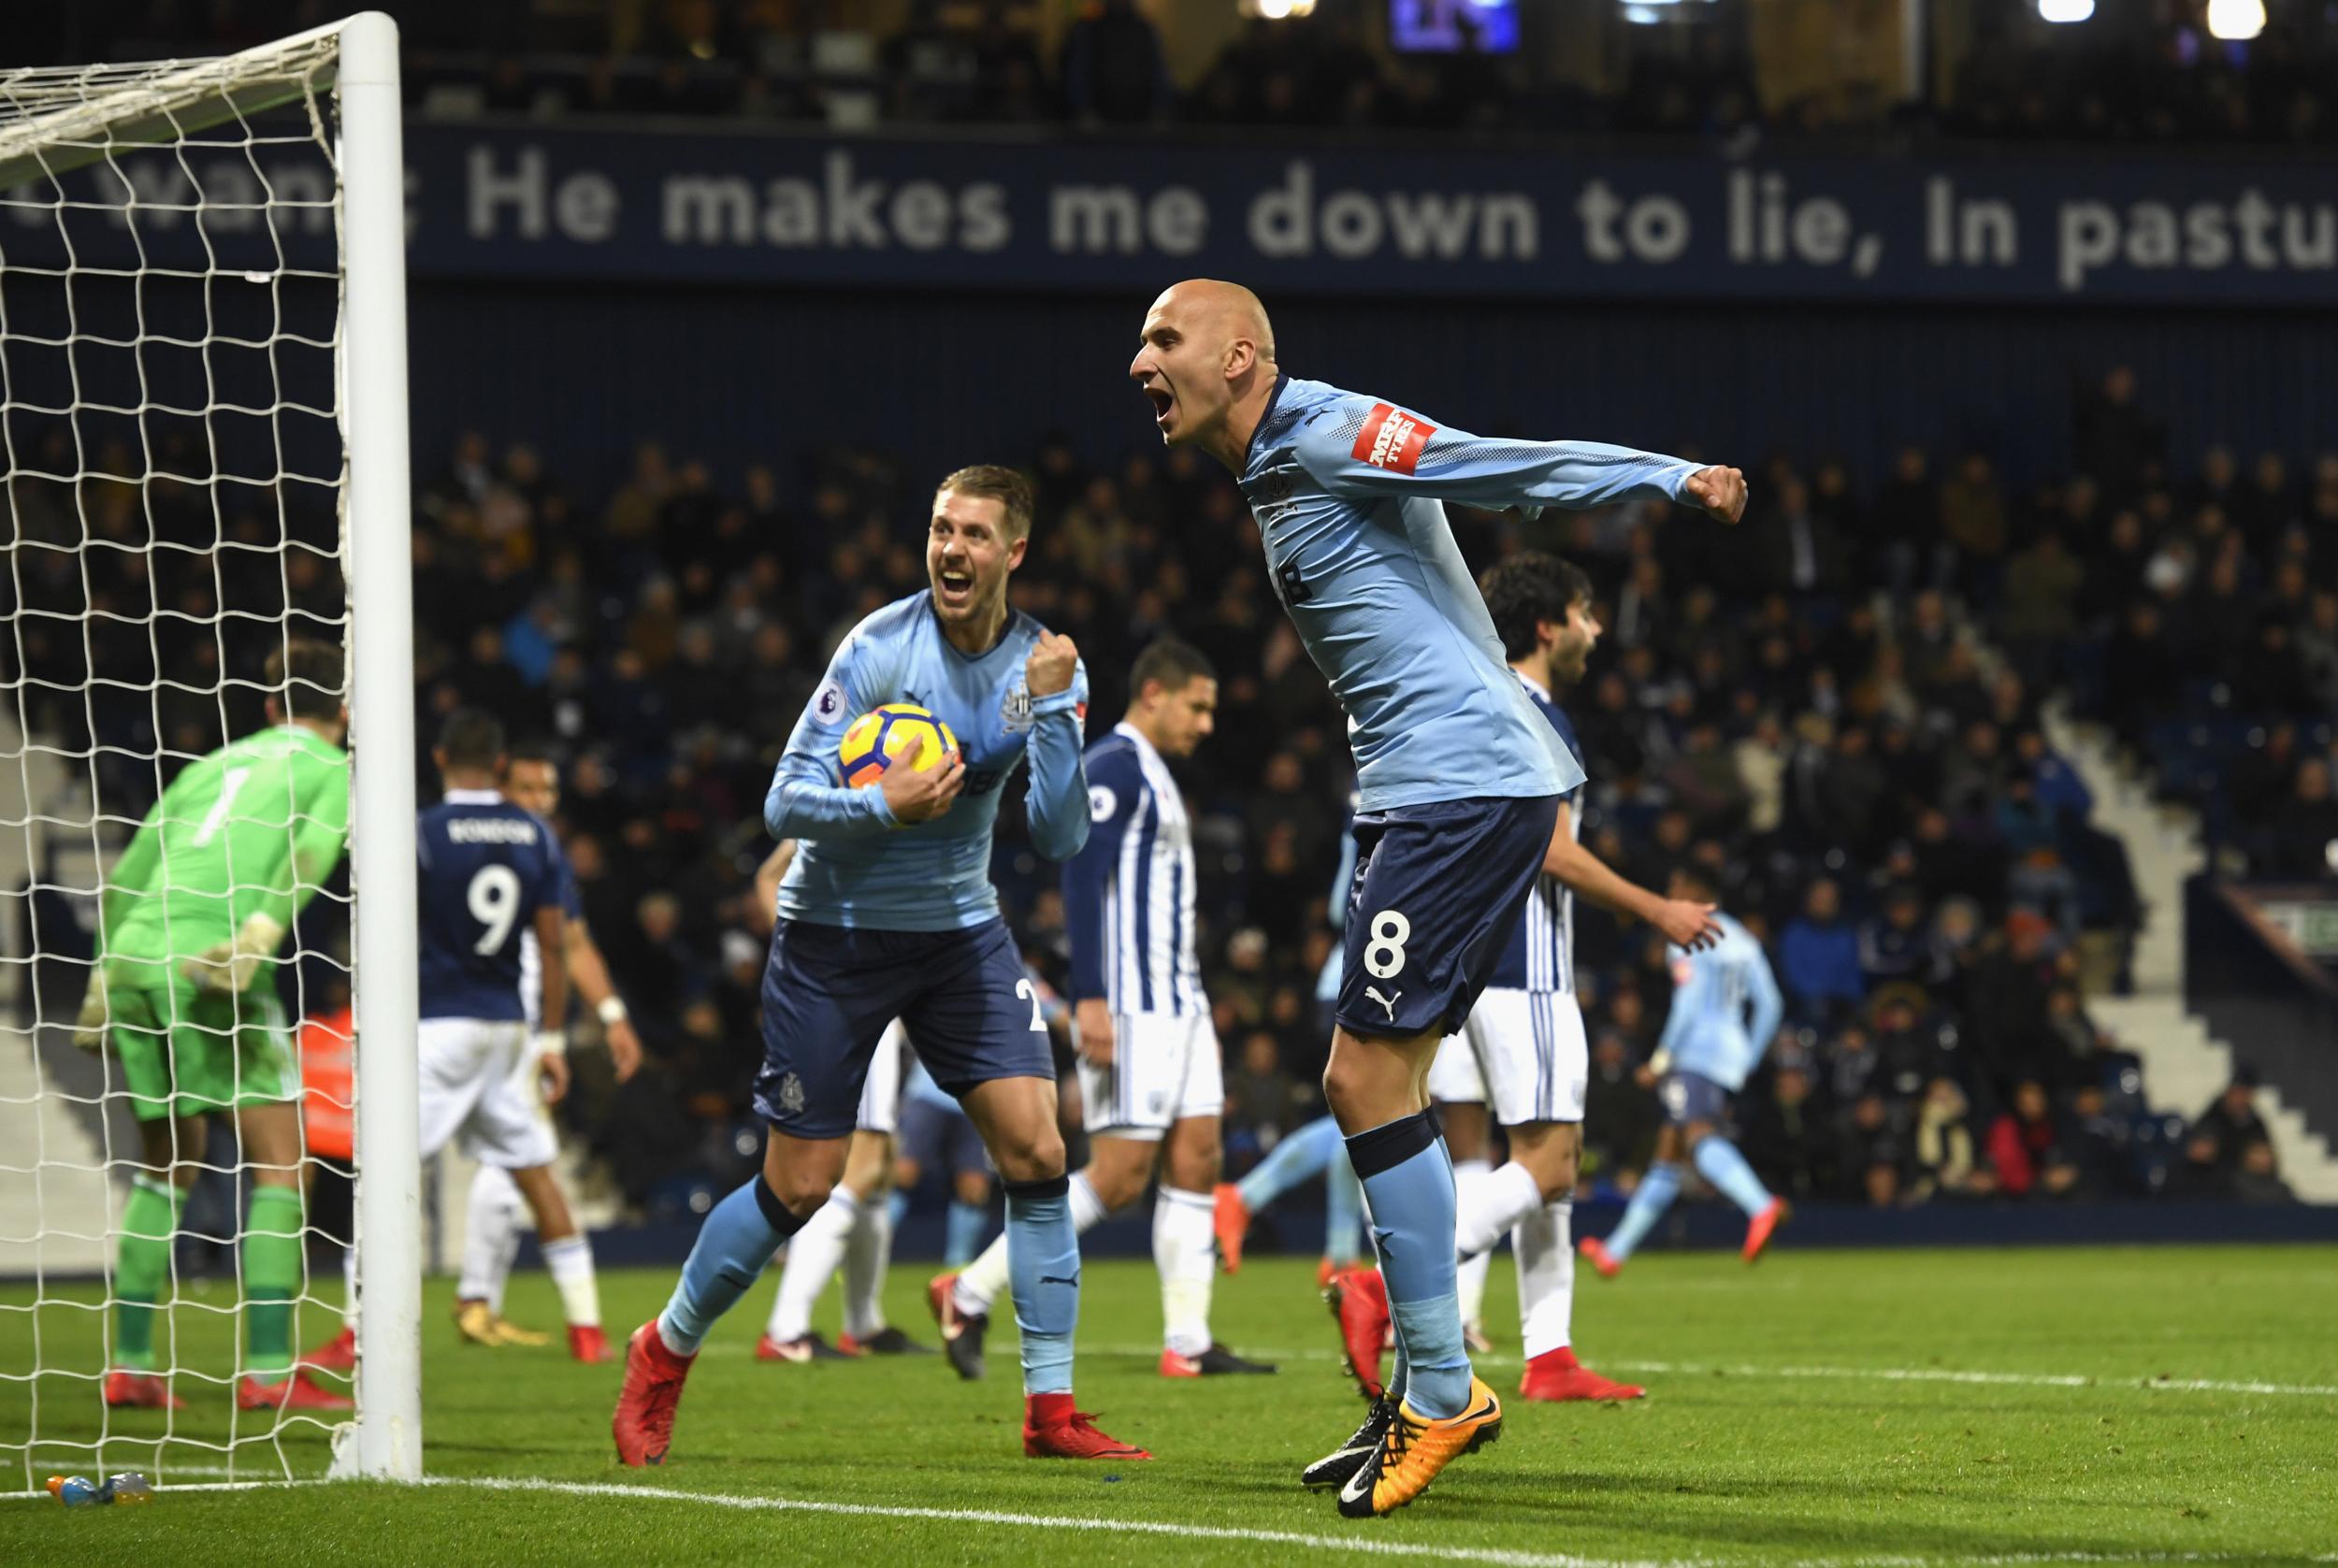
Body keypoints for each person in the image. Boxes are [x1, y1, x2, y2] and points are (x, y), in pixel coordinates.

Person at [1131, 279, 1745, 1515]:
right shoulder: (1272, 470)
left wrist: (1664, 474)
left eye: (1163, 339)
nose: (1140, 362)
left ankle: (1445, 1389)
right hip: (1428, 794)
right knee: (1392, 1086)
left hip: (1462, 785)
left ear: (1239, 354)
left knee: (1361, 1080)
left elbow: (1490, 461)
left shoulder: (1326, 427)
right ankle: (1424, 1384)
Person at [612, 466, 1145, 1465]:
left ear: (1014, 553)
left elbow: (1061, 834)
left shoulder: (1046, 663)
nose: (951, 549)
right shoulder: (876, 648)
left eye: (975, 535)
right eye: (941, 529)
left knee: (1037, 1152)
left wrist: (1057, 721)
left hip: (959, 938)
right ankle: (663, 1350)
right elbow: (781, 805)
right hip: (835, 939)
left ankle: (1052, 1412)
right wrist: (880, 807)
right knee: (801, 1187)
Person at [1331, 554, 1720, 1406]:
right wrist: (1659, 909)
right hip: (1526, 969)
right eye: (1586, 612)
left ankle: (1545, 1353)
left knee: (1483, 1156)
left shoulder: (1464, 696)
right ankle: (1382, 1288)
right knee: (1551, 1162)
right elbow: (1551, 849)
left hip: (1456, 973)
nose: (1596, 630)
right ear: (1548, 625)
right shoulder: (1536, 714)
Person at [934, 638, 1272, 1380]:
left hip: (1181, 1002)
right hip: (1132, 1004)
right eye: (1198, 705)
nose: (1207, 723)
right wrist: (1090, 996)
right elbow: (1080, 873)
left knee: (1199, 1155)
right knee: (1118, 1176)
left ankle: (1188, 1340)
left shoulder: (1153, 773)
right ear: (1154, 692)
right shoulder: (1115, 765)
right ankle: (967, 1289)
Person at [81, 639, 354, 1412]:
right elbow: (309, 849)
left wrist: (104, 968)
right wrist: (263, 931)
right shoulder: (328, 768)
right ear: (343, 710)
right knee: (282, 1160)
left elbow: (130, 873)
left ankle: (130, 1362)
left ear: (269, 707)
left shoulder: (211, 766)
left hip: (136, 955)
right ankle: (269, 1371)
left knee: (167, 1165)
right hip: (212, 958)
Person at [355, 710, 597, 1358]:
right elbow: (553, 945)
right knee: (534, 1168)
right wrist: (550, 1038)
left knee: (383, 1171)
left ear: (437, 758)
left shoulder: (423, 833)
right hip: (508, 1027)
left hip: (440, 1022)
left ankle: (352, 1331)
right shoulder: (536, 835)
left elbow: (385, 926)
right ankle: (588, 1329)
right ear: (497, 764)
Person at [752, 838, 932, 1361]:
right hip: (858, 1012)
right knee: (860, 1168)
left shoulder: (818, 872)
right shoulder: (866, 855)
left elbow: (766, 880)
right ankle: (787, 1330)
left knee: (875, 1174)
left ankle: (864, 1324)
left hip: (824, 1012)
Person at [1581, 863, 1786, 1275]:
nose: (1669, 898)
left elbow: (1688, 1006)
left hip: (1696, 1053)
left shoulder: (1686, 933)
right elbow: (1771, 1005)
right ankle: (1614, 1252)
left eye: (1675, 888)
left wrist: (1661, 1060)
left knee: (1695, 1137)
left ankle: (1760, 1205)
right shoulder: (1744, 939)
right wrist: (1747, 1057)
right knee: (1669, 1152)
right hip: (1730, 1053)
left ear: (1695, 892)